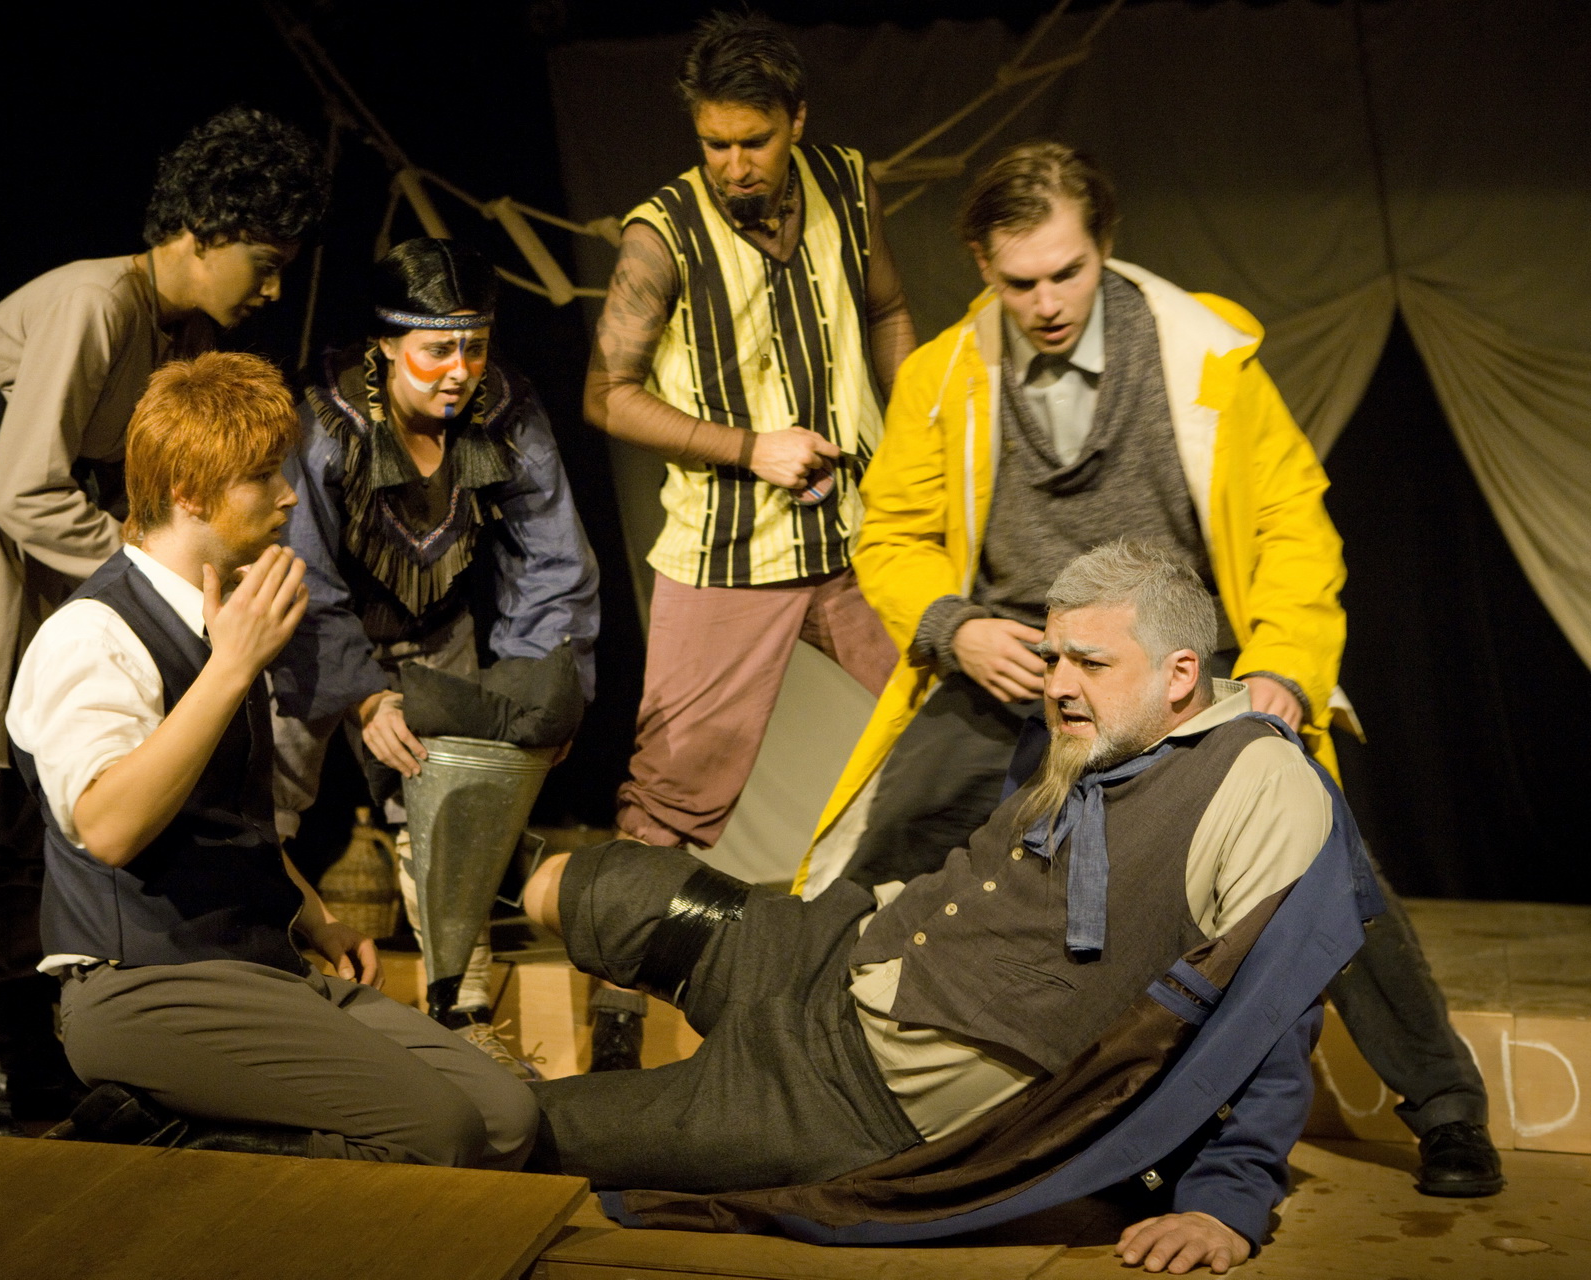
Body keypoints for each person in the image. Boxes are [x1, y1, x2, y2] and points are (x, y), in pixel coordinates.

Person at [798, 141, 1501, 1198]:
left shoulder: (1202, 358)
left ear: (1105, 246)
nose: (1045, 303)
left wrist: (1283, 668)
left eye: (1066, 273)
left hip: (1179, 668)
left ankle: (1444, 1105)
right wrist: (953, 625)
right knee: (890, 837)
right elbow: (892, 531)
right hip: (1015, 660)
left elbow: (1293, 528)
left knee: (1312, 850)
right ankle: (810, 1054)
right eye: (1019, 281)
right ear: (984, 266)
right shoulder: (945, 376)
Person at [522, 543, 1371, 1273]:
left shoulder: (1259, 785)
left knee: (512, 1127)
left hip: (849, 1095)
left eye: (1090, 663)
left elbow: (1274, 1014)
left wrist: (1227, 1200)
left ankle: (466, 1087)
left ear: (1181, 673)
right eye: (1053, 659)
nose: (1059, 685)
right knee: (573, 885)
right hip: (827, 955)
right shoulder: (1095, 734)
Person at [0, 107, 327, 1136]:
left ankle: (22, 1056)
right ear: (206, 231)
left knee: (26, 804)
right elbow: (25, 486)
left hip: (38, 539)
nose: (272, 290)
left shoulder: (174, 333)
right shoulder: (96, 300)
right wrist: (147, 579)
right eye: (266, 263)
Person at [6, 351, 536, 1168]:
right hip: (147, 983)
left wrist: (314, 915)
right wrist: (229, 669)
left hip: (256, 965)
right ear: (189, 491)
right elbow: (107, 828)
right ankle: (170, 1150)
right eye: (262, 477)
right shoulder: (92, 634)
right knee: (443, 1135)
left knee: (505, 1116)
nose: (290, 496)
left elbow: (223, 816)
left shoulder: (222, 620)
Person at [585, 11, 914, 1065]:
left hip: (858, 536)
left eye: (754, 141)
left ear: (797, 120)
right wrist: (748, 448)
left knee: (953, 716)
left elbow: (887, 309)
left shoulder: (846, 185)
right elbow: (606, 393)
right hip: (731, 553)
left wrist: (915, 446)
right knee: (669, 797)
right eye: (714, 142)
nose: (733, 164)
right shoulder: (663, 235)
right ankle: (616, 1031)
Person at [282, 238, 599, 1079]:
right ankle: (259, 1002)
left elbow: (554, 563)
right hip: (307, 632)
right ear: (387, 345)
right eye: (436, 350)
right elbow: (300, 571)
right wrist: (361, 697)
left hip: (436, 627)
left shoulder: (507, 411)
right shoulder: (326, 424)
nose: (460, 371)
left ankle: (463, 1020)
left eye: (475, 347)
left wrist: (543, 696)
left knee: (455, 810)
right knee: (265, 804)